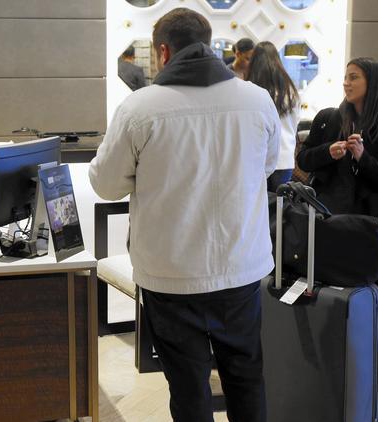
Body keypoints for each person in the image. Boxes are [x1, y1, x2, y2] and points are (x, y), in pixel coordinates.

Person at [90, 8, 279, 422]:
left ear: (162, 51)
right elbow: (268, 164)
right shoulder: (256, 99)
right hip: (240, 267)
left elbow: (106, 185)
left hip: (171, 274)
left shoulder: (140, 108)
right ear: (208, 44)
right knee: (247, 379)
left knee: (188, 387)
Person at [296, 57, 378, 218]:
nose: (346, 83)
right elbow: (303, 160)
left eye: (353, 77)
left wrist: (363, 158)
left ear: (373, 83)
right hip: (325, 215)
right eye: (345, 78)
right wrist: (327, 152)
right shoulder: (327, 118)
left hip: (368, 220)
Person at [245, 41, 300, 192]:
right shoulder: (290, 91)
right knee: (280, 210)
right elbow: (295, 124)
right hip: (285, 158)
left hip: (257, 157)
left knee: (260, 208)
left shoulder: (250, 91)